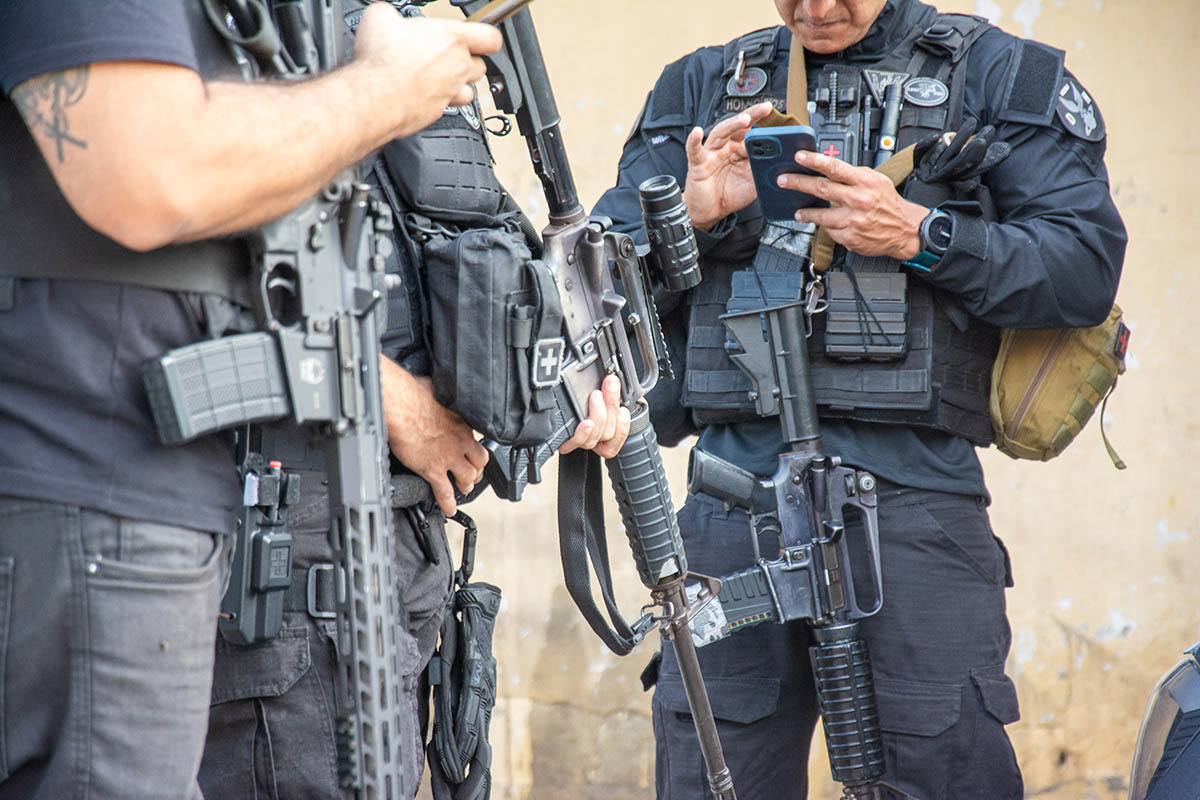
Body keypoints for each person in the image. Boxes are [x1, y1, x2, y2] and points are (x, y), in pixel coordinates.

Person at [0, 2, 622, 798]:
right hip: (132, 492)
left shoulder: (359, 25)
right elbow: (150, 171)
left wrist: (547, 396)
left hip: (313, 535)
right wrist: (384, 90)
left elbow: (395, 263)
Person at [593, 0, 1126, 797]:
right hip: (732, 510)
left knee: (944, 770)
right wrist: (687, 219)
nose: (815, 9)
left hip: (917, 511)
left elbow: (1083, 266)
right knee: (714, 777)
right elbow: (591, 285)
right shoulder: (703, 86)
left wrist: (922, 235)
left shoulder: (1004, 77)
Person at [196, 7, 631, 797]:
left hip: (398, 560)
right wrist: (386, 394)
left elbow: (445, 275)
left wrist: (546, 406)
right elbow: (192, 252)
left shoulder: (394, 28)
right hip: (290, 560)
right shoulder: (247, 27)